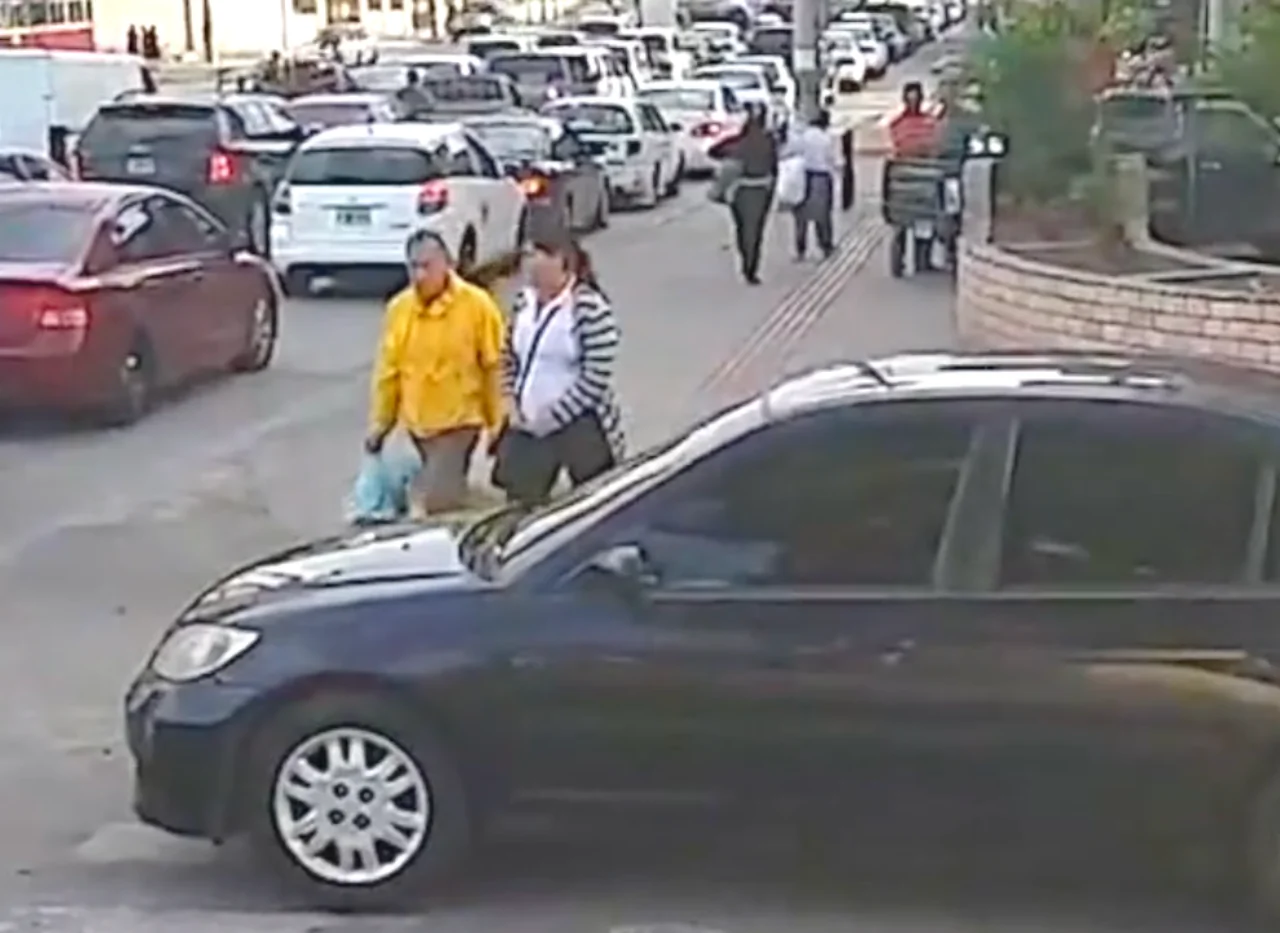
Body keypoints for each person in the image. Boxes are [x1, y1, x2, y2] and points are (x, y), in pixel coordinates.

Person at [366, 229, 506, 515]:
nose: (419, 275)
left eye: (426, 266)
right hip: (419, 425)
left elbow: (494, 368)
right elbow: (389, 375)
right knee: (444, 493)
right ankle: (475, 516)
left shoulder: (476, 306)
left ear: (447, 263)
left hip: (460, 422)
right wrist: (381, 425)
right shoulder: (400, 310)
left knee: (436, 502)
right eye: (413, 267)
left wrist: (497, 424)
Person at [494, 230, 624, 506]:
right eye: (527, 255)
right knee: (521, 501)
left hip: (579, 423)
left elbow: (595, 377)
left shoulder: (588, 308)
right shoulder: (522, 303)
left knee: (592, 502)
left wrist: (552, 418)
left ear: (560, 260)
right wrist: (510, 403)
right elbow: (507, 356)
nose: (529, 263)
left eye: (537, 255)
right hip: (527, 421)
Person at [708, 103, 779, 285]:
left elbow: (715, 151)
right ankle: (751, 265)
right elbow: (775, 169)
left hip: (740, 191)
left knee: (742, 228)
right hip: (761, 190)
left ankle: (746, 261)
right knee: (755, 230)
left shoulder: (739, 143)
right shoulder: (769, 142)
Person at [783, 108, 839, 261]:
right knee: (823, 215)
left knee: (801, 216)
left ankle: (800, 248)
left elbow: (789, 152)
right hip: (821, 177)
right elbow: (834, 160)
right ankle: (825, 245)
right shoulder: (827, 138)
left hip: (803, 176)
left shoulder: (802, 136)